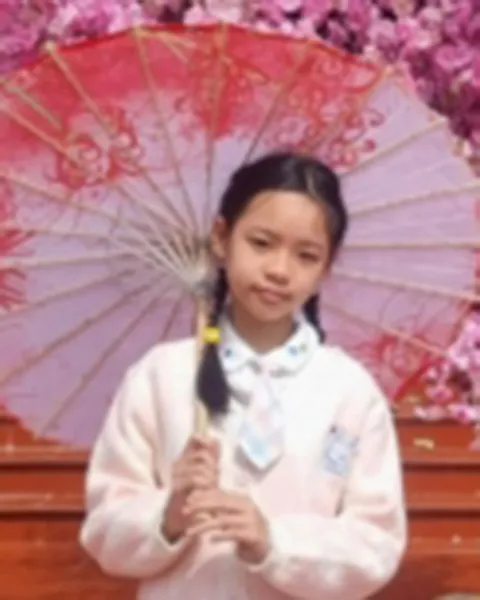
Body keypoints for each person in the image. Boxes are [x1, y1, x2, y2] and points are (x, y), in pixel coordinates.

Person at [80, 152, 407, 600]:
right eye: (261, 243)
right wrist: (167, 515)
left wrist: (273, 542)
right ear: (221, 237)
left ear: (326, 268)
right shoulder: (161, 376)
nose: (279, 270)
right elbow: (103, 528)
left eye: (306, 255)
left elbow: (376, 544)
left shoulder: (349, 392)